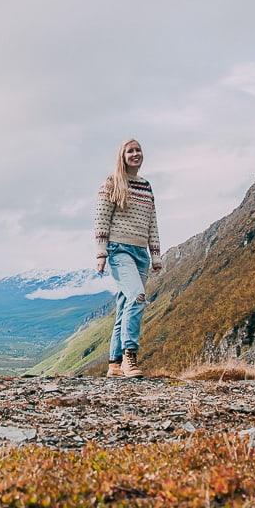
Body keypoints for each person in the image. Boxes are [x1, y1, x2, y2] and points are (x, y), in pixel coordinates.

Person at [94, 138, 162, 378]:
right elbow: (102, 219)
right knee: (137, 297)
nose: (135, 154)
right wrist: (101, 253)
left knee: (125, 305)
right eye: (130, 151)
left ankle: (114, 363)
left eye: (138, 150)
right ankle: (129, 357)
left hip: (141, 254)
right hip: (118, 250)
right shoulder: (112, 183)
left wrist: (155, 255)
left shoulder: (146, 186)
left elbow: (152, 222)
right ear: (122, 157)